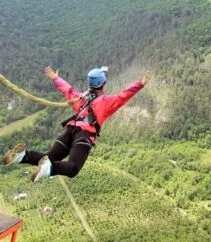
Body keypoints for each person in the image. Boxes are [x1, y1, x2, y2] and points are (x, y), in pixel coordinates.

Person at [3, 66, 150, 182]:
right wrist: (139, 84)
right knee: (72, 168)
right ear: (103, 84)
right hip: (83, 135)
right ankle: (49, 169)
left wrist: (55, 78)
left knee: (49, 158)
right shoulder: (105, 102)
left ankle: (22, 156)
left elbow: (67, 89)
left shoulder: (80, 97)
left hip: (69, 130)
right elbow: (123, 96)